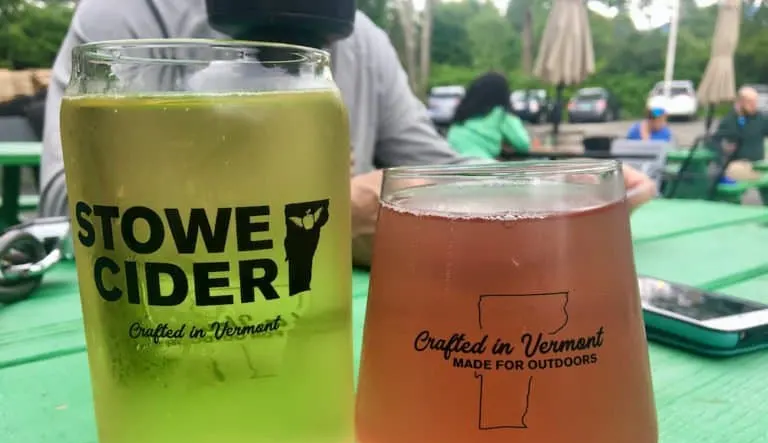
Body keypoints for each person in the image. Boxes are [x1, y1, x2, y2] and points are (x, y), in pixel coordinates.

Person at [40, 0, 655, 265]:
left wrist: (544, 195)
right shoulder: (128, 17)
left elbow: (439, 172)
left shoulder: (363, 40)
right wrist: (324, 215)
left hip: (329, 331)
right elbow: (65, 203)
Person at [446, 73, 531, 159]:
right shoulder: (500, 115)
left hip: (452, 165)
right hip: (483, 166)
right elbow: (523, 145)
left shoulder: (461, 116)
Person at [710, 86, 768, 201]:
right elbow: (713, 142)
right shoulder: (730, 120)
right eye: (750, 102)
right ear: (741, 102)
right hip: (737, 164)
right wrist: (722, 155)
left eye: (755, 102)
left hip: (758, 163)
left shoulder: (760, 118)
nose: (754, 105)